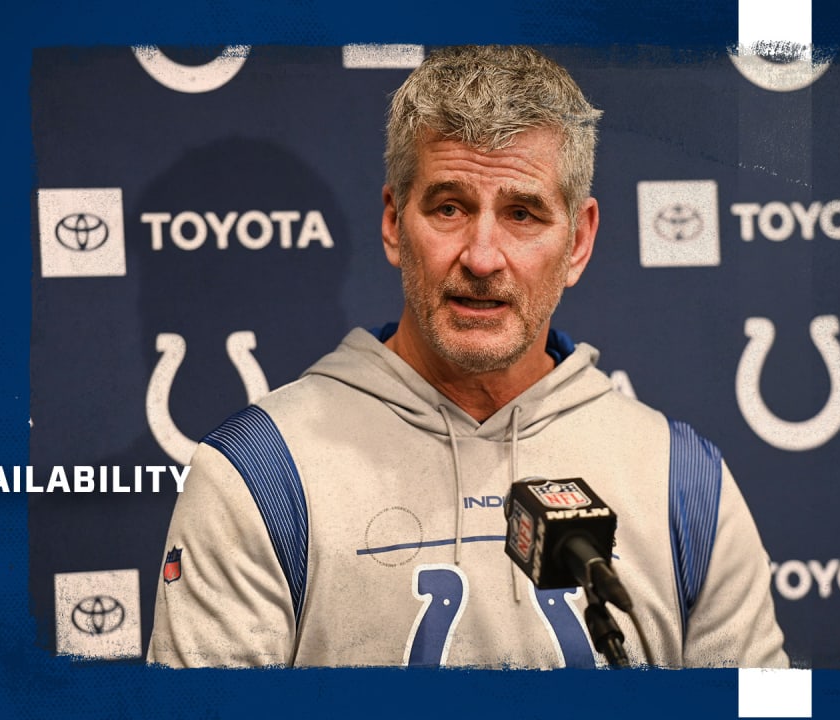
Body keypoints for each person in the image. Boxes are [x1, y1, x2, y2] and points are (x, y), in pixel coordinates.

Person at [147, 45, 788, 668]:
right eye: (450, 207)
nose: (482, 257)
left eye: (523, 214)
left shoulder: (684, 482)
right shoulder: (259, 478)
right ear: (396, 222)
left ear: (579, 241)